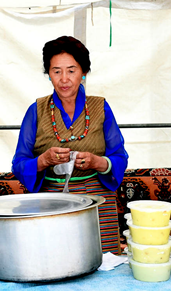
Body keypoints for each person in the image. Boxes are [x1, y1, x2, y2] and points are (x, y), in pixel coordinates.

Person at [12, 36, 128, 255]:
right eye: (56, 71)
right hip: (51, 201)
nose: (64, 79)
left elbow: (120, 157)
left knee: (103, 262)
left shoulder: (101, 107)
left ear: (83, 72)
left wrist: (98, 162)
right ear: (49, 74)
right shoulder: (36, 111)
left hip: (97, 201)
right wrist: (42, 161)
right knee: (55, 259)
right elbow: (18, 164)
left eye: (71, 70)